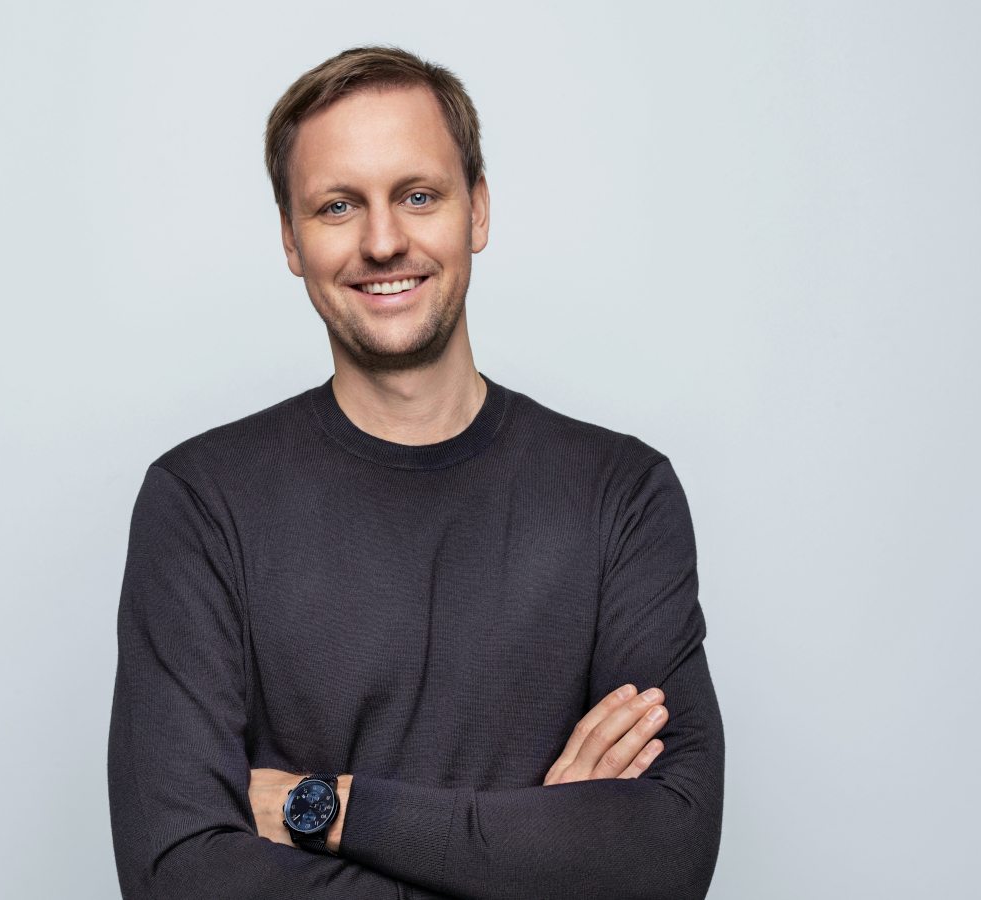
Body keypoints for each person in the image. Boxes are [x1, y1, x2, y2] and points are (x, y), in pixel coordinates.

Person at [107, 45, 724, 899]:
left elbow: (666, 856)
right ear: (291, 237)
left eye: (419, 195)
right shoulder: (200, 503)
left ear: (477, 210)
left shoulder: (620, 494)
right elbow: (176, 875)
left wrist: (329, 809)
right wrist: (533, 858)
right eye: (336, 206)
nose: (383, 240)